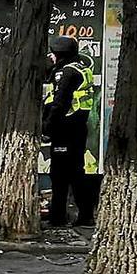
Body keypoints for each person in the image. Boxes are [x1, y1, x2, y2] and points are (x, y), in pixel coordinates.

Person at [42, 36, 95, 227]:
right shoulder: (81, 68)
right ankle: (85, 215)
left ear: (61, 54)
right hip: (78, 127)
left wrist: (47, 127)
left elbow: (59, 103)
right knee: (76, 172)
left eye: (53, 53)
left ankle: (58, 217)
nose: (51, 56)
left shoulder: (66, 73)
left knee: (60, 174)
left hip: (65, 129)